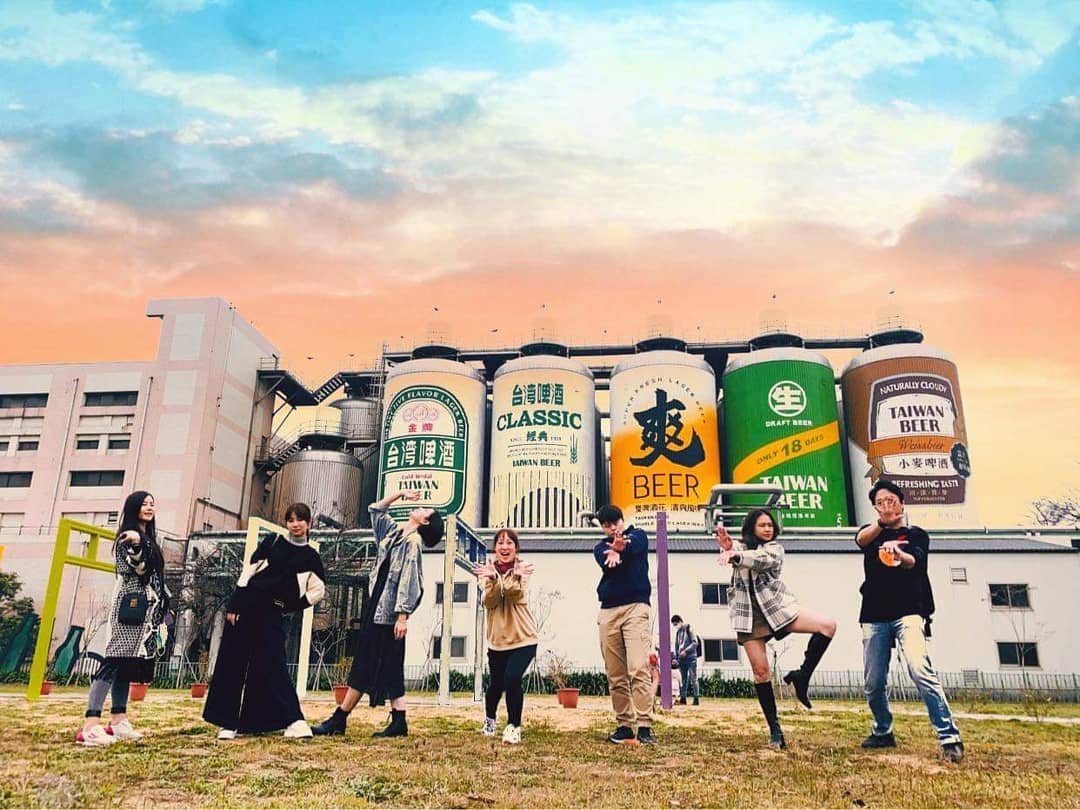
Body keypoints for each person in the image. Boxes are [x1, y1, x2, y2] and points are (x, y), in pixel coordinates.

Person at [312, 490, 443, 738]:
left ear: (425, 521)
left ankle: (340, 719)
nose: (420, 507)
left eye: (426, 510)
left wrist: (402, 616)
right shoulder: (395, 533)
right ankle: (397, 721)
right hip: (378, 605)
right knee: (386, 663)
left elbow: (410, 580)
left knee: (369, 661)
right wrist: (400, 494)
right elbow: (376, 510)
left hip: (389, 613)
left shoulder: (412, 543)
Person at [856, 480, 964, 763]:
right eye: (880, 502)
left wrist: (899, 554)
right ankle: (882, 731)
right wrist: (882, 524)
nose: (886, 506)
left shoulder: (917, 534)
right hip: (874, 614)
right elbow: (860, 540)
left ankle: (949, 737)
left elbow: (915, 561)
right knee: (873, 682)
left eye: (891, 500)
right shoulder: (871, 533)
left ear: (902, 504)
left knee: (919, 669)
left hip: (909, 611)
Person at [203, 502, 326, 740]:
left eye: (300, 520)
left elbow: (317, 591)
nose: (295, 524)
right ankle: (227, 723)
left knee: (273, 664)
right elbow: (248, 571)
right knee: (233, 662)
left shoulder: (311, 557)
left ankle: (292, 720)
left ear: (309, 523)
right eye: (290, 520)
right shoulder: (272, 541)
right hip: (247, 606)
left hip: (273, 613)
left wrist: (291, 606)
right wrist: (235, 604)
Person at [717, 509, 837, 749]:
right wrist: (729, 548)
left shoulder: (775, 549)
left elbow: (761, 560)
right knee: (761, 673)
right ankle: (775, 731)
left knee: (827, 626)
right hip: (749, 616)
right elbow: (736, 552)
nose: (767, 529)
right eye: (762, 525)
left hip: (777, 609)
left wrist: (735, 554)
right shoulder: (740, 548)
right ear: (751, 528)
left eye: (770, 525)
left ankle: (802, 677)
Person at [76, 491, 170, 746]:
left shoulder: (149, 538)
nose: (149, 508)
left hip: (147, 611)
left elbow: (156, 576)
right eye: (144, 504)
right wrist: (137, 544)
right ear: (133, 508)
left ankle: (118, 720)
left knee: (126, 666)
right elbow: (138, 567)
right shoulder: (128, 537)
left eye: (152, 504)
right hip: (130, 607)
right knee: (113, 661)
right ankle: (90, 725)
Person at [593, 504, 655, 745]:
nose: (612, 528)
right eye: (606, 525)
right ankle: (624, 725)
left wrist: (622, 547)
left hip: (636, 608)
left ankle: (645, 725)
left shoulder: (639, 535)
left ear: (622, 520)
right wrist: (613, 552)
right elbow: (606, 559)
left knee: (638, 667)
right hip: (609, 610)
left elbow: (633, 545)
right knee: (615, 673)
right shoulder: (600, 547)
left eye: (614, 523)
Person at [473, 528, 538, 745]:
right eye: (500, 542)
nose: (505, 547)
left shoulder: (524, 569)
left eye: (510, 543)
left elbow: (515, 595)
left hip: (524, 638)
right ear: (495, 548)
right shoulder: (486, 571)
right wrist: (493, 579)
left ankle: (513, 727)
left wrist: (510, 577)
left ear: (516, 548)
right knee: (496, 686)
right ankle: (490, 720)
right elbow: (489, 601)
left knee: (512, 678)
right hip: (498, 641)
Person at [671, 615, 699, 705]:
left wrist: (686, 651)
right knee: (683, 679)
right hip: (682, 659)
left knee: (693, 678)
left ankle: (696, 698)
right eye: (674, 625)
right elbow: (677, 646)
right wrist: (676, 658)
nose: (676, 626)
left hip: (691, 658)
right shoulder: (678, 632)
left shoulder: (689, 628)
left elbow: (695, 642)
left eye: (676, 624)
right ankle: (683, 698)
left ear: (680, 621)